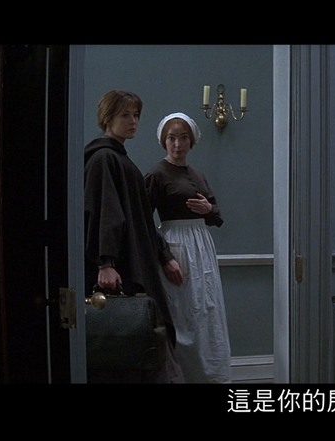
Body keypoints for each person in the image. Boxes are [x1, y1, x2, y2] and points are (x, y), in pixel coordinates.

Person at [84, 90, 184, 383]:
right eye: (125, 115)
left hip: (136, 260)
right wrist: (105, 262)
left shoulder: (119, 158)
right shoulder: (104, 158)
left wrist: (164, 256)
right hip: (121, 268)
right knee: (130, 345)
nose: (133, 121)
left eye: (136, 115)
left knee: (146, 341)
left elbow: (141, 218)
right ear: (108, 118)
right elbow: (104, 211)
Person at [144, 112, 232, 383]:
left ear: (191, 142)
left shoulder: (197, 174)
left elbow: (217, 217)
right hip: (176, 245)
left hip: (201, 246)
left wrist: (208, 210)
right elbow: (143, 220)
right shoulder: (157, 174)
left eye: (183, 138)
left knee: (207, 310)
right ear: (163, 141)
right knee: (182, 313)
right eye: (172, 138)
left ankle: (212, 376)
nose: (178, 144)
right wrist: (165, 257)